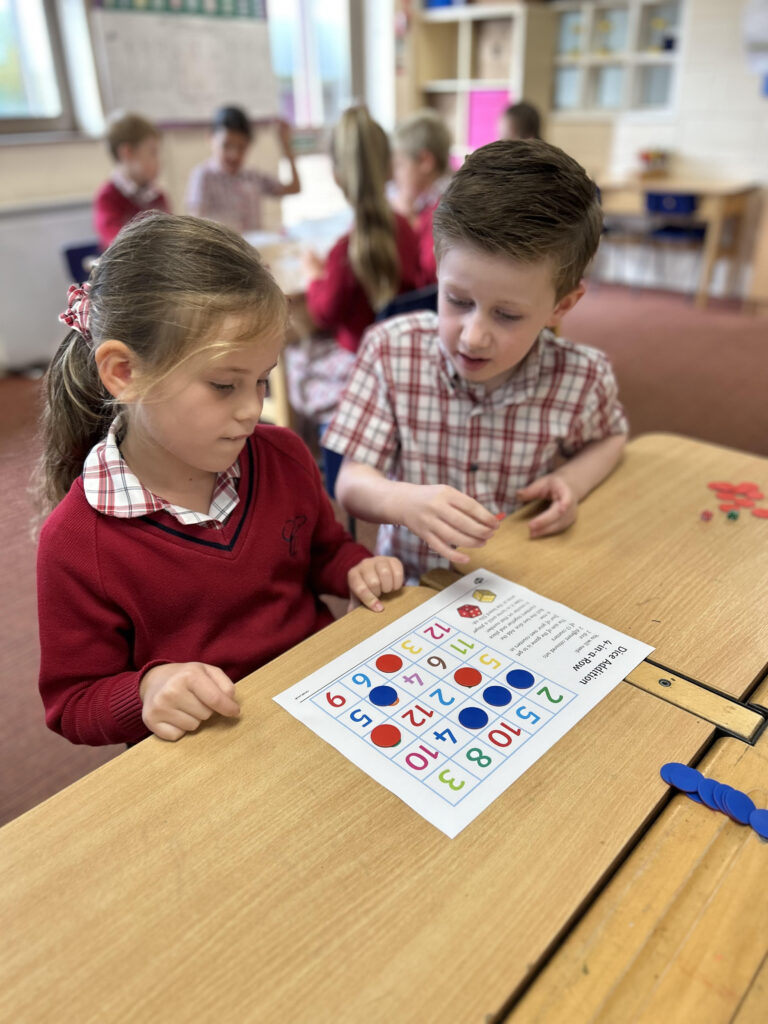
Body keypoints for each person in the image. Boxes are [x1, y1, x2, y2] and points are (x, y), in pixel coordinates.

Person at [36, 213, 403, 747]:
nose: (253, 410)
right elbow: (73, 704)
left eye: (263, 380)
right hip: (213, 752)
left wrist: (355, 569)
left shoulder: (283, 455)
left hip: (325, 705)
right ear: (123, 372)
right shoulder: (75, 543)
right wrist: (146, 690)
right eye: (224, 385)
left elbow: (325, 550)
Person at [322, 140, 628, 584]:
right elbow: (350, 482)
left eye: (506, 315)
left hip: (527, 584)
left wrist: (573, 482)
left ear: (562, 305)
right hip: (417, 588)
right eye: (457, 300)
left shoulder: (583, 377)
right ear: (438, 271)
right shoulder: (391, 351)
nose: (473, 335)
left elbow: (611, 440)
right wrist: (402, 502)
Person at [302, 106, 423, 355]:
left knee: (294, 356)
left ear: (336, 176)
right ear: (390, 168)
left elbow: (324, 315)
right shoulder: (406, 228)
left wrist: (314, 276)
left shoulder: (345, 251)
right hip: (402, 353)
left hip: (358, 360)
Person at [186, 105, 300, 232]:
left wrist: (287, 147)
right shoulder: (203, 176)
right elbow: (195, 225)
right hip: (222, 249)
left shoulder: (252, 175)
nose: (234, 155)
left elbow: (295, 188)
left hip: (252, 247)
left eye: (241, 147)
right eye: (226, 145)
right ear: (210, 138)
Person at [390, 108, 453, 282]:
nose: (396, 175)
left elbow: (426, 276)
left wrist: (404, 224)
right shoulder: (426, 204)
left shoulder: (442, 211)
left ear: (425, 161)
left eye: (400, 165)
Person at [93, 111, 170, 250]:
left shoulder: (158, 196)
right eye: (152, 152)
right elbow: (117, 244)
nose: (159, 162)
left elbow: (172, 236)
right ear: (127, 153)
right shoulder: (108, 198)